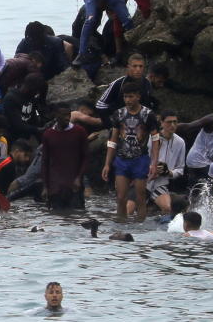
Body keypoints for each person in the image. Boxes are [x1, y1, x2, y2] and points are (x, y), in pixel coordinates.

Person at [102, 82, 160, 221]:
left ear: (138, 97)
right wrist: (107, 164)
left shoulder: (148, 114)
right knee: (121, 197)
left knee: (140, 197)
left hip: (140, 159)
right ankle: (121, 224)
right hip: (122, 159)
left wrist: (154, 162)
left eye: (131, 96)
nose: (128, 100)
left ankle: (140, 227)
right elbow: (113, 140)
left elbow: (156, 139)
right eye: (125, 97)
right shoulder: (119, 114)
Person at [41, 104, 89, 210]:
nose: (67, 118)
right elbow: (45, 161)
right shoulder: (48, 134)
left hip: (74, 186)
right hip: (55, 187)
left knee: (76, 217)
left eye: (68, 114)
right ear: (56, 115)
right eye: (64, 115)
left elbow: (85, 157)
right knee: (57, 219)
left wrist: (79, 178)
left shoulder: (80, 131)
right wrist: (45, 186)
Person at [149, 111, 186, 215]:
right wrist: (152, 168)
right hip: (144, 179)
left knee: (167, 208)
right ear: (161, 123)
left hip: (160, 183)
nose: (173, 125)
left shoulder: (180, 142)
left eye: (175, 122)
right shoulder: (151, 138)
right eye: (169, 122)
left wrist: (168, 172)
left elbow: (180, 169)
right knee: (129, 210)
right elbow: (140, 159)